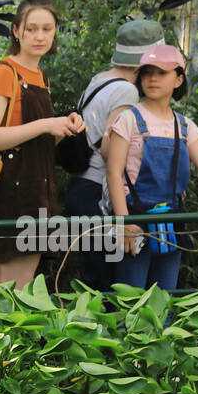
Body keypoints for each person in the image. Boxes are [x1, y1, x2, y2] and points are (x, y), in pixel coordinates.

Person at [104, 43, 198, 291]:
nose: (152, 79)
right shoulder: (128, 120)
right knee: (130, 298)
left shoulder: (184, 126)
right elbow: (113, 173)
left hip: (171, 220)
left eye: (161, 73)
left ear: (178, 80)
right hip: (135, 218)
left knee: (164, 295)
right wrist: (124, 222)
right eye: (147, 73)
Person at [0, 0, 85, 287]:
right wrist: (46, 124)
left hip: (38, 187)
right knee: (12, 282)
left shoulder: (39, 76)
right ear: (16, 31)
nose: (40, 36)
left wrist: (63, 128)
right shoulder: (3, 72)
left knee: (18, 281)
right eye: (32, 28)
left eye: (47, 29)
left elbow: (35, 140)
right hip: (14, 190)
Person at [64, 19, 163, 290]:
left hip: (80, 186)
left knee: (93, 276)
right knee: (105, 284)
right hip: (97, 193)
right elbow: (111, 148)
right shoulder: (126, 89)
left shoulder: (100, 79)